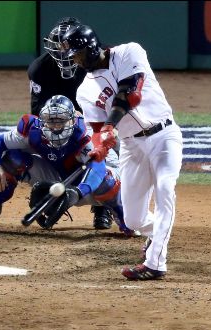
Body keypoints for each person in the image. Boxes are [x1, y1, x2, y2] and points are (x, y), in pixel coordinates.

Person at [61, 24, 183, 280]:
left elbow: (130, 94)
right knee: (134, 219)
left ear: (90, 48)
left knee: (165, 190)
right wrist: (99, 147)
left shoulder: (129, 52)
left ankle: (155, 263)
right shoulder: (84, 91)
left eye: (76, 54)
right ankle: (157, 236)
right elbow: (97, 130)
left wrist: (110, 126)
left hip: (163, 136)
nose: (74, 60)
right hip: (131, 146)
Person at [0, 94, 135, 236]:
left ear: (72, 120)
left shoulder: (84, 135)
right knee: (11, 159)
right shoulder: (32, 129)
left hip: (90, 183)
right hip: (58, 178)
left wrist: (79, 192)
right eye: (51, 120)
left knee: (107, 182)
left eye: (61, 121)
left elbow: (98, 169)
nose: (55, 126)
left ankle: (123, 215)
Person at [28, 16, 114, 231]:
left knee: (104, 149)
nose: (63, 51)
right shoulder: (40, 68)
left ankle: (103, 207)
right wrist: (63, 119)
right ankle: (47, 195)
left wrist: (87, 122)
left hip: (94, 119)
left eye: (68, 46)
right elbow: (37, 112)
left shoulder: (94, 62)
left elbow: (108, 104)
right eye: (59, 46)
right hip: (59, 121)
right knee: (31, 146)